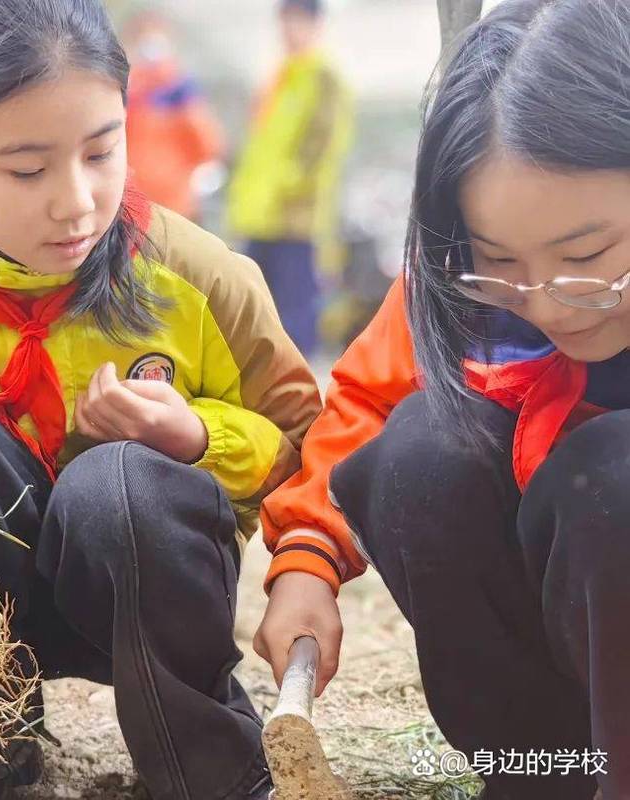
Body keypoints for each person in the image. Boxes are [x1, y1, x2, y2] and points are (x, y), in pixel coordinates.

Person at [0, 0, 321, 797]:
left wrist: (195, 437)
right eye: (27, 170)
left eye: (103, 152)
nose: (75, 202)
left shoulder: (198, 275)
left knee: (122, 482)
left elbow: (303, 447)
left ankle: (205, 760)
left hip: (142, 602)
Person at [255, 1, 630, 798]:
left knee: (611, 474)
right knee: (422, 448)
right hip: (564, 668)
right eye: (498, 260)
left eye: (585, 254)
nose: (548, 303)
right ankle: (537, 775)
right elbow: (360, 405)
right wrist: (305, 563)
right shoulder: (462, 289)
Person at [226, 0, 353, 358]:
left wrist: (288, 191)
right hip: (258, 216)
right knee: (255, 309)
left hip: (295, 220)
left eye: (297, 20)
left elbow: (322, 148)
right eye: (284, 20)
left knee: (295, 313)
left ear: (315, 25)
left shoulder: (323, 78)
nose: (288, 29)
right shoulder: (278, 78)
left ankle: (298, 400)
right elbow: (259, 148)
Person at [122, 10, 225, 221]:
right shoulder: (125, 90)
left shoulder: (181, 90)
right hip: (132, 206)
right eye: (142, 36)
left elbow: (209, 145)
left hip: (176, 207)